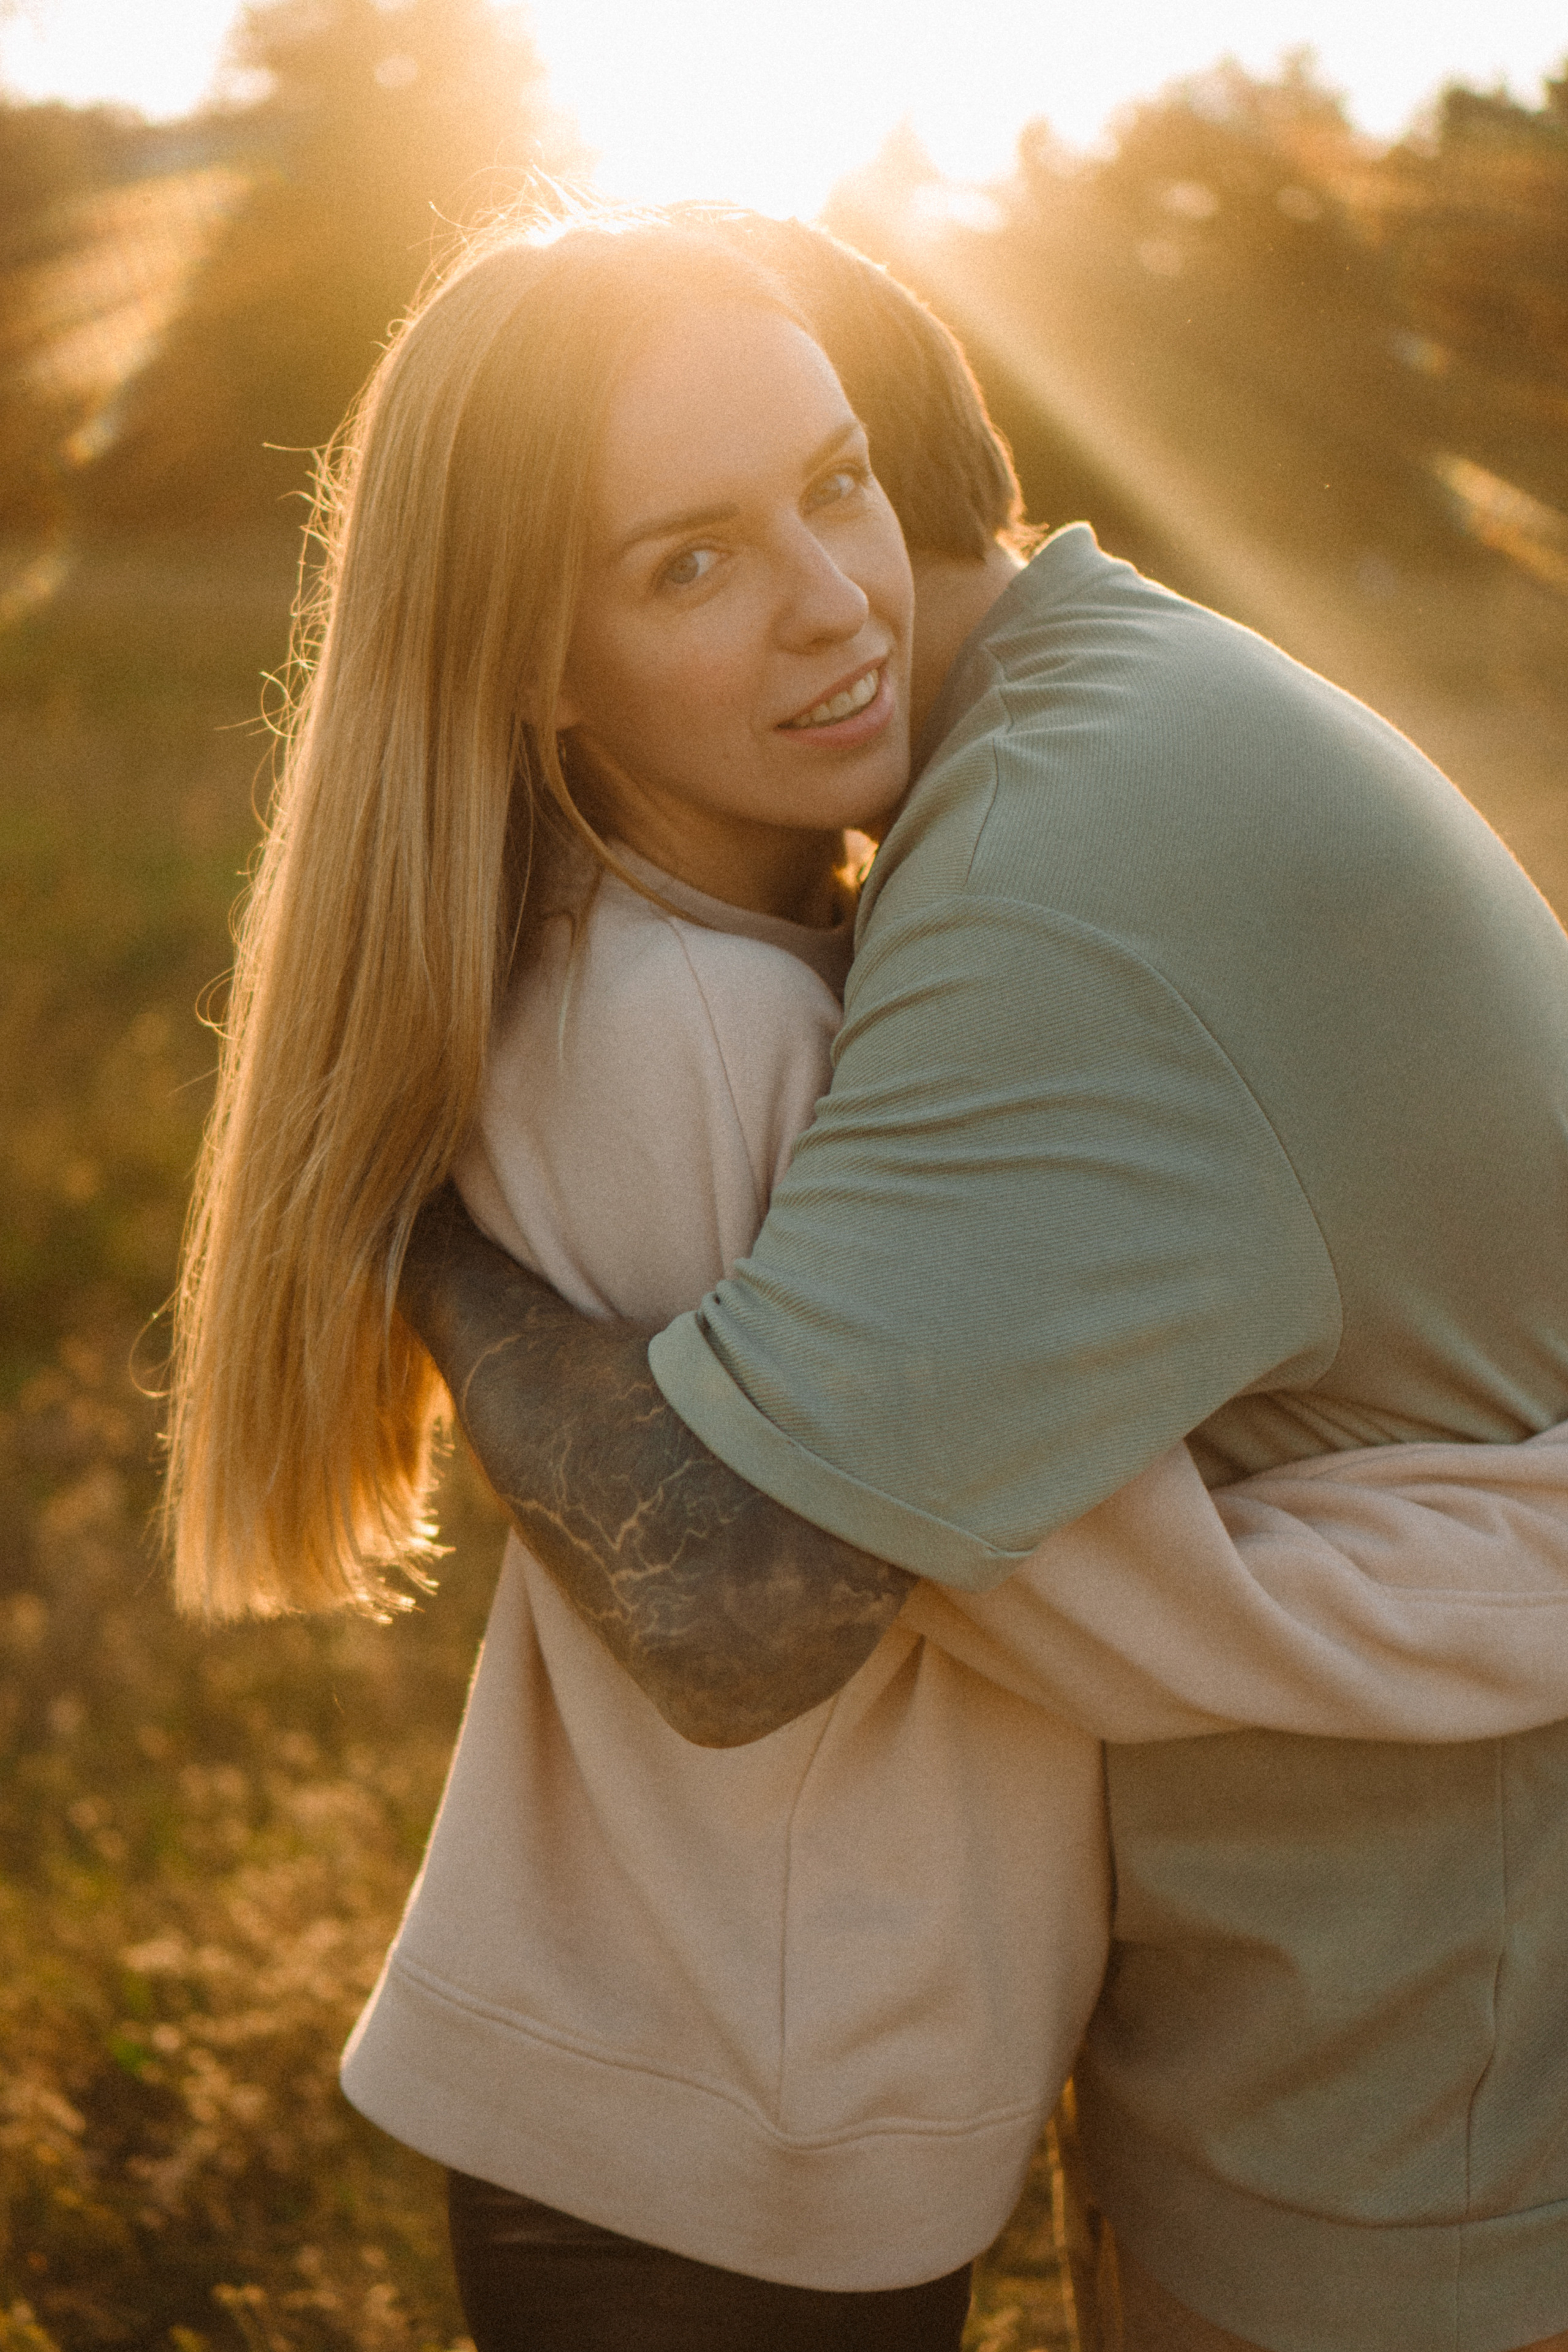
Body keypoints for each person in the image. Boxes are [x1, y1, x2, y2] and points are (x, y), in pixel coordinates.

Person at [389, 216, 1568, 2352]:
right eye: (690, 559)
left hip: (1421, 2063)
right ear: (537, 657)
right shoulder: (1057, 761)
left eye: (835, 483)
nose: (830, 598)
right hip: (1310, 2027)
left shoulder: (1039, 875)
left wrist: (424, 1259)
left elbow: (742, 1587)